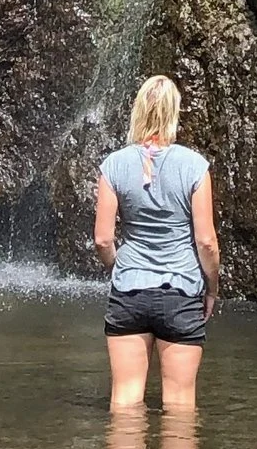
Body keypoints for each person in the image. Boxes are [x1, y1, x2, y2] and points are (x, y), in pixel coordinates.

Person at [94, 73, 219, 411]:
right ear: (174, 113)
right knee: (179, 407)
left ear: (137, 111)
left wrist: (119, 268)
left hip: (129, 292)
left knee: (125, 400)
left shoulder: (114, 166)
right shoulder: (195, 167)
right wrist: (212, 288)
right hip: (180, 293)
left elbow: (103, 239)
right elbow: (206, 241)